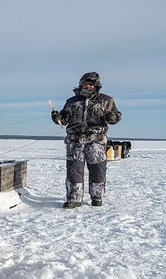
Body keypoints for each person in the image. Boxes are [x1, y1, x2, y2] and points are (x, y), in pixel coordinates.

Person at [51, 72, 122, 208]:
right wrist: (57, 118)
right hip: (75, 140)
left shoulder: (106, 100)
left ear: (96, 86)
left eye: (91, 84)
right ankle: (74, 198)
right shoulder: (71, 101)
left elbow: (117, 118)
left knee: (98, 169)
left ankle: (96, 197)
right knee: (74, 170)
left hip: (96, 140)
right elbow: (64, 120)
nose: (88, 86)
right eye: (86, 83)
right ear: (81, 84)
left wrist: (110, 116)